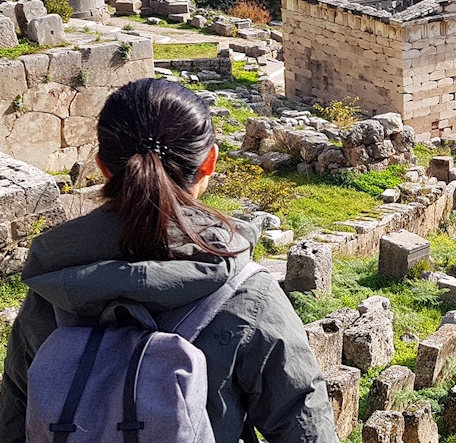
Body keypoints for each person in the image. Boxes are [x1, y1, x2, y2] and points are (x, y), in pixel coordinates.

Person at [0, 78, 339, 442]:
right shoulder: (248, 298)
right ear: (209, 161)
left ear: (102, 166)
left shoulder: (53, 289)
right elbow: (305, 428)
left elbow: (14, 421)